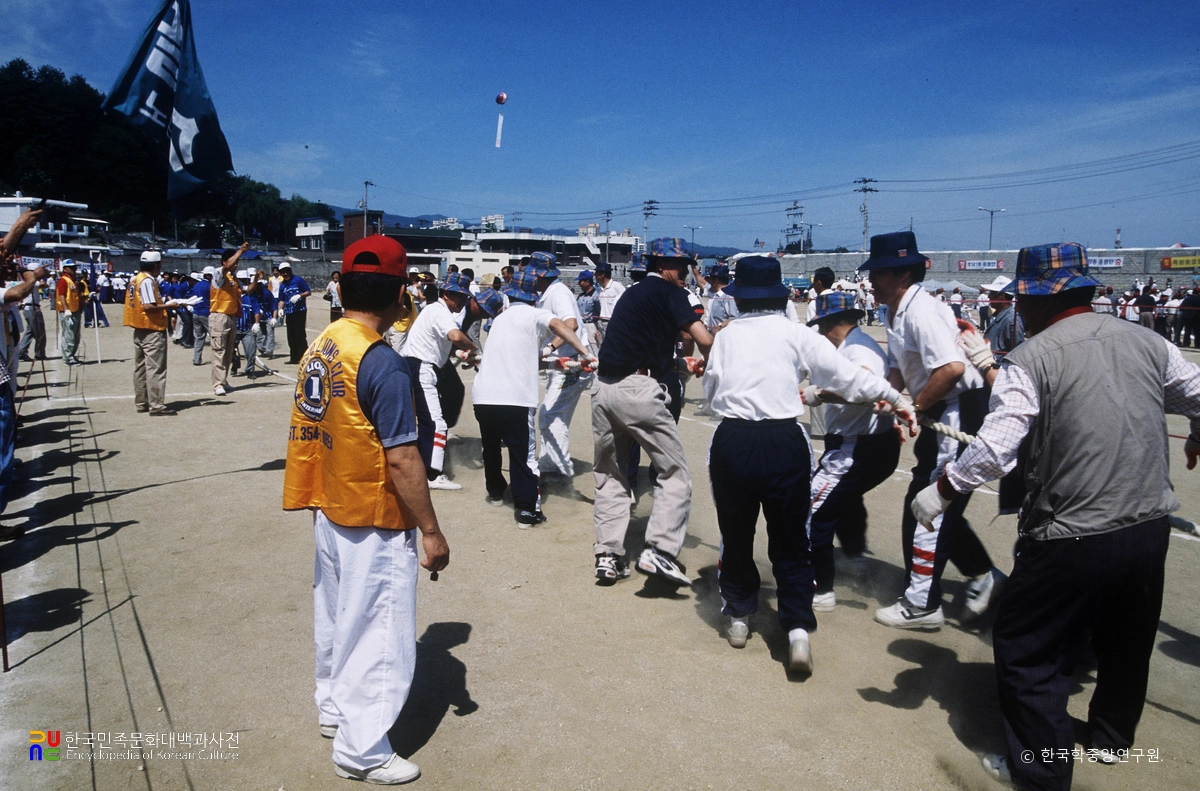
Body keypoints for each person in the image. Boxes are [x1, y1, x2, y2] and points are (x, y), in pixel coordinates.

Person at [925, 243, 1200, 791]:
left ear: (1033, 302)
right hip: (1147, 525)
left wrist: (944, 488)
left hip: (1072, 532)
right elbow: (1197, 394)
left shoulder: (1032, 358)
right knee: (1127, 636)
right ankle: (1111, 738)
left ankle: (1042, 771)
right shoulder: (1150, 342)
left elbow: (995, 448)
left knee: (1029, 650)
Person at [283, 233, 449, 785]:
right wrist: (431, 529)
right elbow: (403, 459)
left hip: (331, 503)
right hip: (373, 512)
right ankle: (362, 748)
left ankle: (333, 708)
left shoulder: (328, 339)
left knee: (335, 617)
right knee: (378, 630)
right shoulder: (383, 362)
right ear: (400, 294)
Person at [703, 257, 913, 671]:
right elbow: (848, 377)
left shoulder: (727, 336)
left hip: (735, 438)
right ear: (780, 295)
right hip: (784, 439)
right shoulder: (796, 333)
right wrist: (899, 400)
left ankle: (740, 617)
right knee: (792, 535)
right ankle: (797, 629)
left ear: (739, 297)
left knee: (736, 530)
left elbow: (711, 392)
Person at [859, 231, 1002, 630]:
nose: (873, 280)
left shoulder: (921, 311)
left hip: (956, 409)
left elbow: (951, 369)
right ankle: (983, 575)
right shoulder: (896, 309)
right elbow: (899, 365)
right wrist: (887, 395)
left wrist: (915, 406)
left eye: (880, 273)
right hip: (940, 406)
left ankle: (922, 603)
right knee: (939, 500)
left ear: (903, 274)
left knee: (929, 504)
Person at [590, 238, 715, 586]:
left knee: (611, 475)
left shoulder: (633, 293)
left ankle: (609, 555)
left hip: (604, 389)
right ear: (661, 266)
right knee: (674, 474)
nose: (687, 273)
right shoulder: (671, 293)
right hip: (638, 392)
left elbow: (636, 349)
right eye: (681, 266)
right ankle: (659, 550)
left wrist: (677, 363)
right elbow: (704, 340)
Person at [804, 290, 906, 612]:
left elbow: (865, 387)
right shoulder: (852, 346)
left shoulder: (859, 351)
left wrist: (819, 394)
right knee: (844, 500)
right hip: (863, 443)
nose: (820, 334)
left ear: (834, 323)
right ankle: (854, 557)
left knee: (811, 510)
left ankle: (820, 589)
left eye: (821, 326)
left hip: (856, 446)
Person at [472, 267, 593, 525]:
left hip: (483, 397)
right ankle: (527, 509)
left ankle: (495, 493)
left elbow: (529, 362)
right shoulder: (536, 314)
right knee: (522, 456)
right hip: (515, 399)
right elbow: (563, 324)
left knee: (491, 448)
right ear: (533, 296)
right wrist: (584, 352)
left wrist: (555, 364)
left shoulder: (498, 320)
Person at [400, 271, 479, 490]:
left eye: (465, 298)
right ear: (446, 294)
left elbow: (446, 344)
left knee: (425, 420)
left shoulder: (435, 310)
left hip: (418, 366)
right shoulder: (439, 310)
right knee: (436, 422)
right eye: (458, 297)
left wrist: (461, 353)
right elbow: (455, 336)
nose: (462, 302)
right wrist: (472, 347)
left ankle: (422, 467)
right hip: (421, 368)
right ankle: (433, 475)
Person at [532, 252, 592, 479]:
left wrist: (550, 348)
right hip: (560, 365)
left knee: (551, 417)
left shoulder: (558, 293)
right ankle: (550, 462)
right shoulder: (548, 293)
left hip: (572, 364)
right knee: (551, 415)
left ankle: (561, 470)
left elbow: (571, 323)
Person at [125, 251, 179, 416]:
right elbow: (148, 306)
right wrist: (168, 306)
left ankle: (142, 402)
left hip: (139, 327)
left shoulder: (135, 279)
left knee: (140, 367)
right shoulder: (147, 281)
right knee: (155, 368)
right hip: (152, 328)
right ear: (156, 265)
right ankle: (156, 405)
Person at [209, 244, 249, 396]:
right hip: (219, 315)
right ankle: (217, 383)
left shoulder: (233, 279)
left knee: (228, 351)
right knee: (218, 350)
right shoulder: (219, 274)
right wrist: (240, 251)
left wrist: (257, 280)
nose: (236, 265)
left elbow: (246, 290)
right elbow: (227, 266)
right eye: (233, 262)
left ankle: (223, 380)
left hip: (231, 315)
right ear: (224, 261)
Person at [982, 276, 1025, 362]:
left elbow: (1017, 355)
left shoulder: (1011, 321)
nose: (989, 296)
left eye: (992, 293)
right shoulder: (999, 317)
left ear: (1002, 295)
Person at [55, 260, 87, 366]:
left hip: (75, 310)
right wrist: (65, 309)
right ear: (65, 269)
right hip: (68, 311)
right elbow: (62, 295)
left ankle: (72, 355)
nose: (74, 270)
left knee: (75, 335)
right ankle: (68, 358)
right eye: (71, 268)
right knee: (69, 335)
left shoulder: (72, 281)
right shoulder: (63, 280)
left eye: (74, 268)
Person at [279, 263, 312, 365]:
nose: (285, 274)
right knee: (291, 335)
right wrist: (281, 309)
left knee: (300, 334)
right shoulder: (282, 285)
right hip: (289, 312)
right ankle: (294, 357)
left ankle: (303, 356)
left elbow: (308, 292)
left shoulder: (298, 280)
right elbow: (282, 299)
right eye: (283, 272)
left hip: (300, 311)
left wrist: (299, 296)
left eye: (287, 271)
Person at [232, 270, 263, 378]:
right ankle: (234, 363)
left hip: (247, 330)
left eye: (246, 281)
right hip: (234, 328)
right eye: (241, 281)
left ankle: (250, 370)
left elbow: (256, 311)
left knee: (251, 351)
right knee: (228, 351)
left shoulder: (252, 297)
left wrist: (256, 323)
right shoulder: (233, 295)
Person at [16, 261, 48, 362]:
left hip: (31, 307)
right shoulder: (30, 281)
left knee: (30, 331)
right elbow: (44, 284)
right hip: (31, 308)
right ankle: (39, 353)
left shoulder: (30, 281)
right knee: (39, 332)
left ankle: (22, 350)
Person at [592, 260, 625, 348]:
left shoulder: (617, 287)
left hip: (613, 323)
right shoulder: (599, 290)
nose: (594, 275)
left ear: (602, 274)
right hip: (601, 323)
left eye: (597, 273)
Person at [190, 266, 213, 366]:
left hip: (196, 312)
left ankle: (196, 359)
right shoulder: (210, 286)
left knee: (199, 337)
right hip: (206, 313)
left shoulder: (196, 285)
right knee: (214, 336)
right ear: (208, 275)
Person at [576, 270, 599, 347]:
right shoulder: (580, 296)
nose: (579, 284)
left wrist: (598, 330)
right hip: (581, 325)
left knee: (593, 351)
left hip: (591, 326)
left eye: (580, 281)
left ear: (587, 282)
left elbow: (600, 314)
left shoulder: (596, 296)